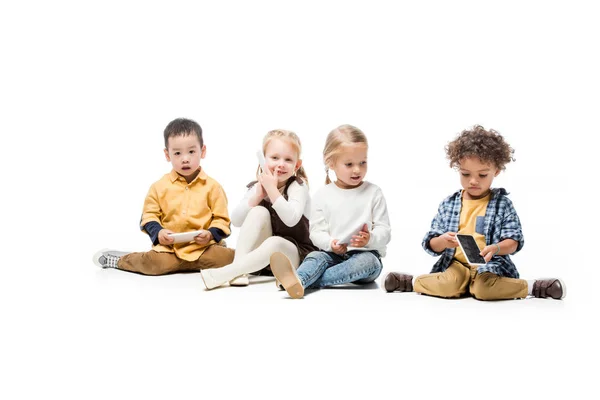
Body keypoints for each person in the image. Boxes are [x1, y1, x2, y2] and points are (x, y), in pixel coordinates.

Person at [382, 125, 566, 300]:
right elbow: (431, 243)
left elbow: (514, 242)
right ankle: (411, 282)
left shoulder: (503, 204)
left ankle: (534, 287)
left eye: (482, 175)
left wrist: (496, 248)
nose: (473, 181)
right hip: (457, 265)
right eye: (465, 174)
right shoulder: (448, 204)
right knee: (449, 286)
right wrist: (443, 241)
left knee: (483, 289)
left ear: (497, 170)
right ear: (458, 169)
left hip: (490, 266)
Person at [93, 118, 234, 275]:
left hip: (204, 249)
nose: (185, 158)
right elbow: (149, 217)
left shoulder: (213, 187)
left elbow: (222, 220)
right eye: (177, 153)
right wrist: (159, 232)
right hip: (170, 251)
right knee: (153, 264)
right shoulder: (159, 187)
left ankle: (263, 264)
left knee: (230, 259)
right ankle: (119, 259)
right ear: (167, 155)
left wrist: (210, 234)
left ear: (203, 151)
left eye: (192, 151)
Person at [270, 124, 391, 299]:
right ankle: (298, 282)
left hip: (365, 256)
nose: (357, 169)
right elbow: (316, 232)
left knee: (367, 262)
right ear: (331, 163)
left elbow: (385, 231)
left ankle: (300, 281)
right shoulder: (322, 195)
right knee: (315, 256)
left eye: (362, 162)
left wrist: (370, 238)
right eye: (349, 164)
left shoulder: (374, 192)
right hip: (332, 255)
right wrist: (331, 244)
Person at [199, 129, 317, 289]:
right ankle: (239, 272)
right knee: (258, 211)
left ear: (297, 165)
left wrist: (273, 190)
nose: (281, 164)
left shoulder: (298, 187)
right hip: (262, 259)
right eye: (275, 158)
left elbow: (291, 219)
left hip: (296, 255)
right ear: (263, 160)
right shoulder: (258, 187)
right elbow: (236, 220)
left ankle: (225, 273)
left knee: (274, 242)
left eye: (288, 160)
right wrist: (257, 197)